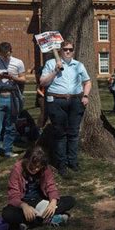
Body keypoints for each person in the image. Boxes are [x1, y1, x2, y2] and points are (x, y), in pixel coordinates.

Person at [39, 40, 91, 177]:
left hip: (75, 101)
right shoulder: (51, 63)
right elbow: (43, 82)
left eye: (70, 49)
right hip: (56, 101)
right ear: (60, 51)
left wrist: (85, 95)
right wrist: (55, 70)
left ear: (73, 51)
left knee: (73, 133)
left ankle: (72, 162)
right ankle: (61, 164)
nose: (68, 51)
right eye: (65, 49)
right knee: (60, 134)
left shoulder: (78, 65)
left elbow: (87, 81)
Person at [1, 146, 75, 230]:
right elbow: (13, 195)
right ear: (27, 161)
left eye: (39, 167)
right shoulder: (17, 169)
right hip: (23, 202)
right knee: (7, 214)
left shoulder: (45, 168)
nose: (36, 169)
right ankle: (49, 219)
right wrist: (23, 206)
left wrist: (53, 202)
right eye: (33, 167)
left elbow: (51, 186)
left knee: (70, 200)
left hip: (40, 200)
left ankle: (29, 223)